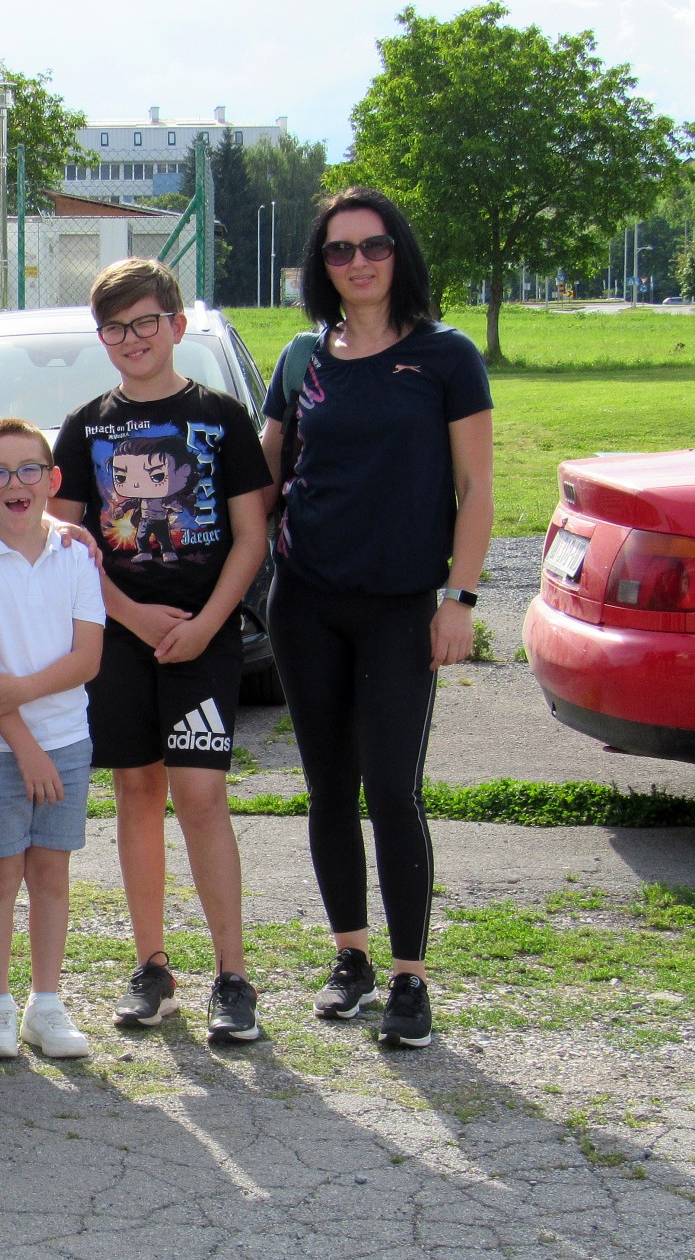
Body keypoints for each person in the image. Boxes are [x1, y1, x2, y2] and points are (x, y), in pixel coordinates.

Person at [261, 187, 493, 1049]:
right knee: (328, 788)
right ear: (320, 266)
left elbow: (475, 490)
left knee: (393, 788)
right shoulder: (301, 359)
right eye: (338, 250)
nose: (357, 262)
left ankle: (409, 977)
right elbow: (263, 482)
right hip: (305, 604)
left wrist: (459, 600)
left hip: (401, 607)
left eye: (374, 246)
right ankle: (350, 958)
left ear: (400, 252)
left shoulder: (446, 356)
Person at [50, 257, 272, 1044]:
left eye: (146, 322)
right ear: (101, 337)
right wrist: (131, 616)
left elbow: (251, 536)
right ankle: (153, 968)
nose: (132, 338)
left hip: (203, 638)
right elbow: (66, 544)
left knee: (201, 796)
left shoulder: (221, 417)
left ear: (176, 325)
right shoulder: (85, 426)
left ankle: (233, 976)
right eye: (115, 327)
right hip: (119, 639)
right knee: (137, 792)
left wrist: (208, 623)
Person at [0, 419, 104, 1060]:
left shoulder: (76, 556)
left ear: (52, 479)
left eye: (30, 469)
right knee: (0, 873)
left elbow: (87, 659)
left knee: (51, 873)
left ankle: (47, 1004)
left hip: (67, 740)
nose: (17, 483)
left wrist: (24, 696)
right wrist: (25, 748)